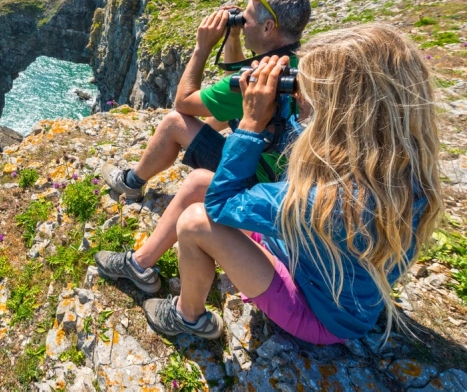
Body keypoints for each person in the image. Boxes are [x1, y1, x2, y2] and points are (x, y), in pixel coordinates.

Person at [132, 24, 443, 344]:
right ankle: (140, 265)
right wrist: (274, 103)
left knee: (197, 222)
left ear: (335, 112)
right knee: (200, 181)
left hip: (320, 313)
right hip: (309, 260)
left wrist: (252, 123)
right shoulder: (386, 162)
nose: (299, 99)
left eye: (306, 93)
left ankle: (189, 316)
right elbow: (294, 144)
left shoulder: (332, 198)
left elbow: (222, 205)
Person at [96, 0, 311, 292]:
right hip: (280, 181)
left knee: (174, 122)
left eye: (245, 19)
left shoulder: (258, 80)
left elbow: (183, 102)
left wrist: (202, 47)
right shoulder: (296, 67)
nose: (240, 22)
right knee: (221, 115)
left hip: (254, 181)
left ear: (268, 27)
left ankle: (130, 183)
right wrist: (234, 36)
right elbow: (231, 103)